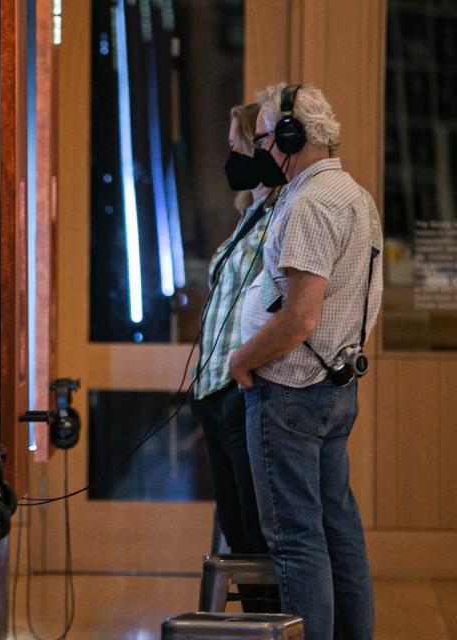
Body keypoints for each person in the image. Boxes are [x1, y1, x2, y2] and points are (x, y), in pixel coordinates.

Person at [229, 83, 381, 640]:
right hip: (331, 391)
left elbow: (299, 317)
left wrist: (243, 360)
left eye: (267, 138)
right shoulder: (355, 195)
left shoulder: (313, 201)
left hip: (290, 391)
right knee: (337, 527)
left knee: (297, 538)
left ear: (291, 137)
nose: (263, 150)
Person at [190, 102, 278, 612]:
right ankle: (253, 624)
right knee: (238, 531)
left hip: (244, 389)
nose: (230, 155)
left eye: (235, 145)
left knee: (257, 532)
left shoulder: (285, 213)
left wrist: (241, 366)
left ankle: (270, 622)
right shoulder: (249, 214)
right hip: (215, 390)